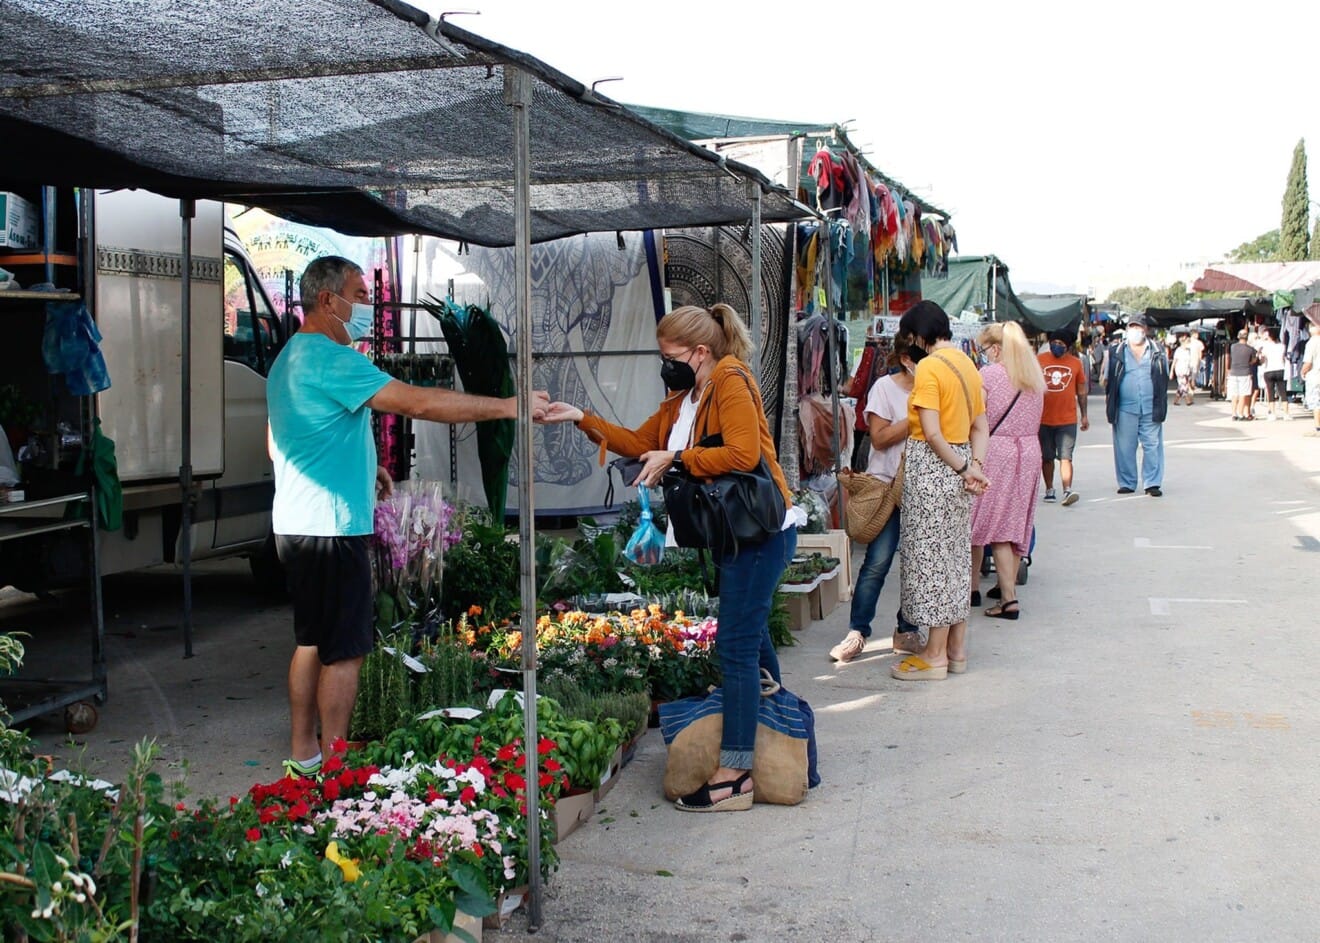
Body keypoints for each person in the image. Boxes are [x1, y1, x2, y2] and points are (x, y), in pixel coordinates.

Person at [267, 255, 549, 780]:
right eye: (360, 293)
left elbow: (282, 439)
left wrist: (361, 468)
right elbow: (417, 403)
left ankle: (303, 754)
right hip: (333, 527)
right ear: (328, 300)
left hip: (295, 521)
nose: (368, 307)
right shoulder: (335, 359)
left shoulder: (290, 358)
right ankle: (337, 765)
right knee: (345, 651)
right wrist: (508, 407)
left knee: (309, 640)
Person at [543, 303, 801, 813]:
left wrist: (678, 458)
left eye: (671, 355)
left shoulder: (730, 380)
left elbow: (744, 455)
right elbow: (640, 443)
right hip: (736, 535)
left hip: (761, 533)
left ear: (700, 352)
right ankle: (778, 729)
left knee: (736, 647)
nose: (665, 364)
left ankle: (736, 774)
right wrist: (579, 418)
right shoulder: (686, 396)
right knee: (746, 642)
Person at [891, 301, 989, 681]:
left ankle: (933, 656)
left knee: (931, 562)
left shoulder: (929, 366)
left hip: (935, 468)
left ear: (917, 336)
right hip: (962, 462)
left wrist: (963, 467)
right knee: (955, 559)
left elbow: (931, 433)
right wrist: (974, 467)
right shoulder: (969, 364)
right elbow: (981, 427)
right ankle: (956, 651)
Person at [829, 340, 922, 663]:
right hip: (886, 486)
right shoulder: (885, 387)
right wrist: (916, 418)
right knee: (877, 562)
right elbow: (879, 438)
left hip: (923, 488)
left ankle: (907, 629)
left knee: (918, 565)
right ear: (907, 358)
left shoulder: (939, 387)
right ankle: (857, 631)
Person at [971, 322, 1044, 620]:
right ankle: (1005, 586)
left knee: (983, 521)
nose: (984, 354)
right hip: (1029, 450)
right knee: (1015, 522)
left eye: (985, 349)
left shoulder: (987, 376)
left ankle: (998, 596)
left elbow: (978, 418)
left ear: (996, 348)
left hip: (996, 449)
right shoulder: (1033, 376)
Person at [1104, 313, 1168, 497]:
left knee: (1153, 446)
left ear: (1145, 330)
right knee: (1124, 447)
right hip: (1125, 407)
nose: (1135, 331)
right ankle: (1127, 482)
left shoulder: (1157, 350)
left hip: (1151, 406)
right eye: (1131, 327)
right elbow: (1109, 380)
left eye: (1138, 327)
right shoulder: (1117, 352)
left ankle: (1152, 483)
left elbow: (1163, 377)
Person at [1037, 329, 1089, 506]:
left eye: (1061, 344)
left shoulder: (1076, 364)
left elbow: (1081, 391)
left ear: (1068, 346)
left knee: (1066, 456)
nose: (1057, 346)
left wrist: (1084, 416)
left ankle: (1067, 489)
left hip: (1067, 419)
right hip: (1043, 419)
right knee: (1047, 456)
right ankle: (1049, 489)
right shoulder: (1039, 361)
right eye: (1054, 342)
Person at [1227, 328, 1259, 421]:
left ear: (1238, 336)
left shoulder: (1233, 347)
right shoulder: (1251, 349)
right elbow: (1253, 361)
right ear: (1247, 337)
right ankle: (1241, 414)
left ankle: (1234, 413)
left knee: (1234, 394)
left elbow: (1230, 357)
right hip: (1245, 373)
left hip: (1234, 372)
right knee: (1243, 394)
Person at [1259, 328, 1289, 420]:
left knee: (1270, 391)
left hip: (1269, 370)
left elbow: (1262, 360)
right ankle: (1286, 413)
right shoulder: (1282, 346)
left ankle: (1272, 413)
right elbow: (1283, 357)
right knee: (1283, 392)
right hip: (1280, 369)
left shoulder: (1265, 347)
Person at [1302, 321, 1320, 436]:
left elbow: (1308, 362)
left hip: (1315, 375)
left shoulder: (1311, 343)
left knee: (1316, 401)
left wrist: (1303, 371)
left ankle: (1318, 427)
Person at [1171, 333, 1196, 406]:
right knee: (1183, 385)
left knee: (1181, 386)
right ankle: (1187, 400)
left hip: (1186, 370)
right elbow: (1174, 361)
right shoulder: (1178, 351)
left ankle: (1176, 400)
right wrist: (1171, 371)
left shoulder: (1188, 351)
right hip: (1180, 371)